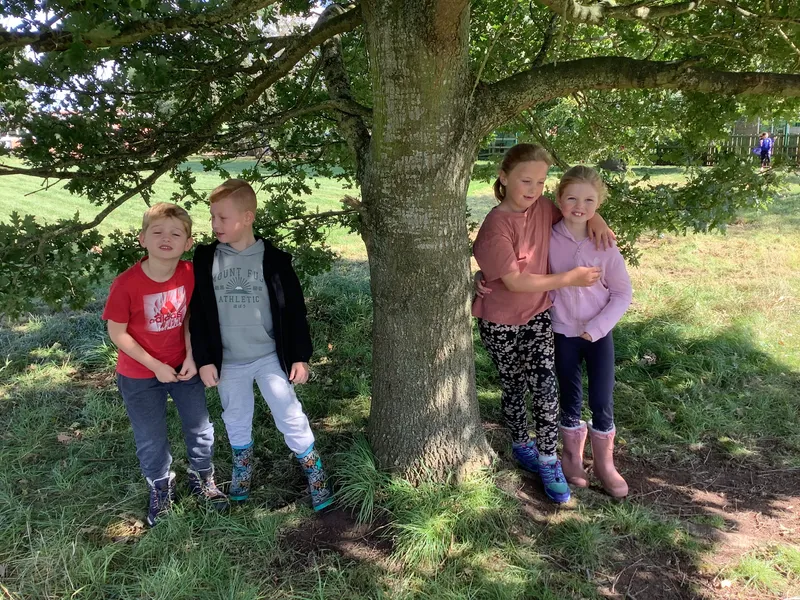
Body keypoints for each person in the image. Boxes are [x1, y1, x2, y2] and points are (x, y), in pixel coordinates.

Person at [471, 144, 613, 504]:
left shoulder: (543, 208)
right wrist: (569, 278)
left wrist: (597, 218)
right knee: (514, 386)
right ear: (504, 177)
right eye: (525, 180)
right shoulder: (494, 227)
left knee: (547, 388)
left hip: (537, 316)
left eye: (540, 181)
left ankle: (550, 460)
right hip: (500, 322)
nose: (533, 189)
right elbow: (516, 281)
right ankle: (522, 444)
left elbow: (576, 212)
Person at [189, 179, 332, 511]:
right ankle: (243, 469)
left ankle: (315, 472)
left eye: (223, 218)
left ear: (248, 216)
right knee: (235, 416)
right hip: (229, 362)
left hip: (269, 356)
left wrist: (300, 356)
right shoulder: (206, 258)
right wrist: (205, 359)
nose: (215, 225)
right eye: (212, 217)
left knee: (289, 413)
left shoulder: (275, 260)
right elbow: (197, 314)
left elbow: (295, 311)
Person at [103, 202, 228, 527]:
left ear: (187, 243)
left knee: (200, 428)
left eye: (175, 233)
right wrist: (155, 365)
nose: (166, 238)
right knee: (151, 437)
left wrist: (191, 355)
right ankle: (160, 485)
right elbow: (117, 333)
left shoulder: (189, 275)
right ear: (142, 238)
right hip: (140, 374)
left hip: (183, 369)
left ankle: (203, 478)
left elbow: (190, 318)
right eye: (157, 232)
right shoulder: (126, 284)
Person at [549, 166, 632, 498]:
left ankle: (604, 464)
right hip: (561, 332)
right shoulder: (548, 238)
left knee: (601, 398)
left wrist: (597, 328)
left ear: (599, 203)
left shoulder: (605, 244)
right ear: (558, 199)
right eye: (571, 198)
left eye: (588, 200)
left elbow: (622, 293)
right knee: (568, 396)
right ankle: (572, 459)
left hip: (599, 336)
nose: (579, 206)